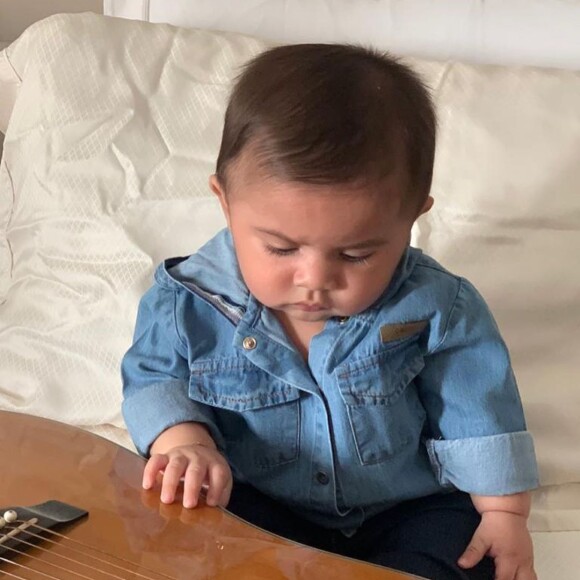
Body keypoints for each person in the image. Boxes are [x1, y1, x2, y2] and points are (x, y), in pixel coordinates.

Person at [121, 44, 539, 580]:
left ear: (413, 217)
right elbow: (154, 379)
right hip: (264, 504)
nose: (315, 279)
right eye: (281, 249)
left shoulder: (438, 307)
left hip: (403, 508)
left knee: (466, 552)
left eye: (357, 254)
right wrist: (186, 442)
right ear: (225, 203)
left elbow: (479, 412)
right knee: (188, 531)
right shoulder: (186, 302)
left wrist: (504, 513)